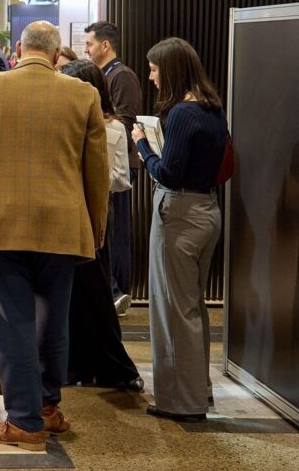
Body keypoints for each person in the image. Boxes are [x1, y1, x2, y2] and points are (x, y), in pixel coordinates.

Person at [0, 21, 109, 451]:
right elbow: (97, 171)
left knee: (12, 324)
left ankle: (24, 422)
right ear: (57, 55)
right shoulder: (83, 94)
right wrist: (96, 227)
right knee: (53, 321)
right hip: (63, 226)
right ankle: (48, 408)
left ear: (18, 49)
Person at [131, 37, 228, 424]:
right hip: (207, 211)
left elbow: (168, 173)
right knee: (192, 307)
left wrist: (143, 146)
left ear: (170, 71)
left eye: (155, 69)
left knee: (173, 310)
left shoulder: (182, 114)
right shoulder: (212, 108)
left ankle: (182, 402)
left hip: (180, 213)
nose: (151, 77)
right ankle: (198, 389)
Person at [60, 59, 143, 393]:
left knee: (91, 287)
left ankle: (103, 365)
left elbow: (120, 178)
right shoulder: (79, 121)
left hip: (93, 211)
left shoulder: (111, 127)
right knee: (75, 290)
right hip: (75, 210)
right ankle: (79, 364)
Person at [84, 21, 143, 315]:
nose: (86, 49)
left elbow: (125, 121)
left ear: (105, 45)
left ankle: (118, 291)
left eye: (90, 44)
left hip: (118, 165)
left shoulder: (122, 76)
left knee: (116, 230)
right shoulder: (104, 74)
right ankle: (111, 290)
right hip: (105, 162)